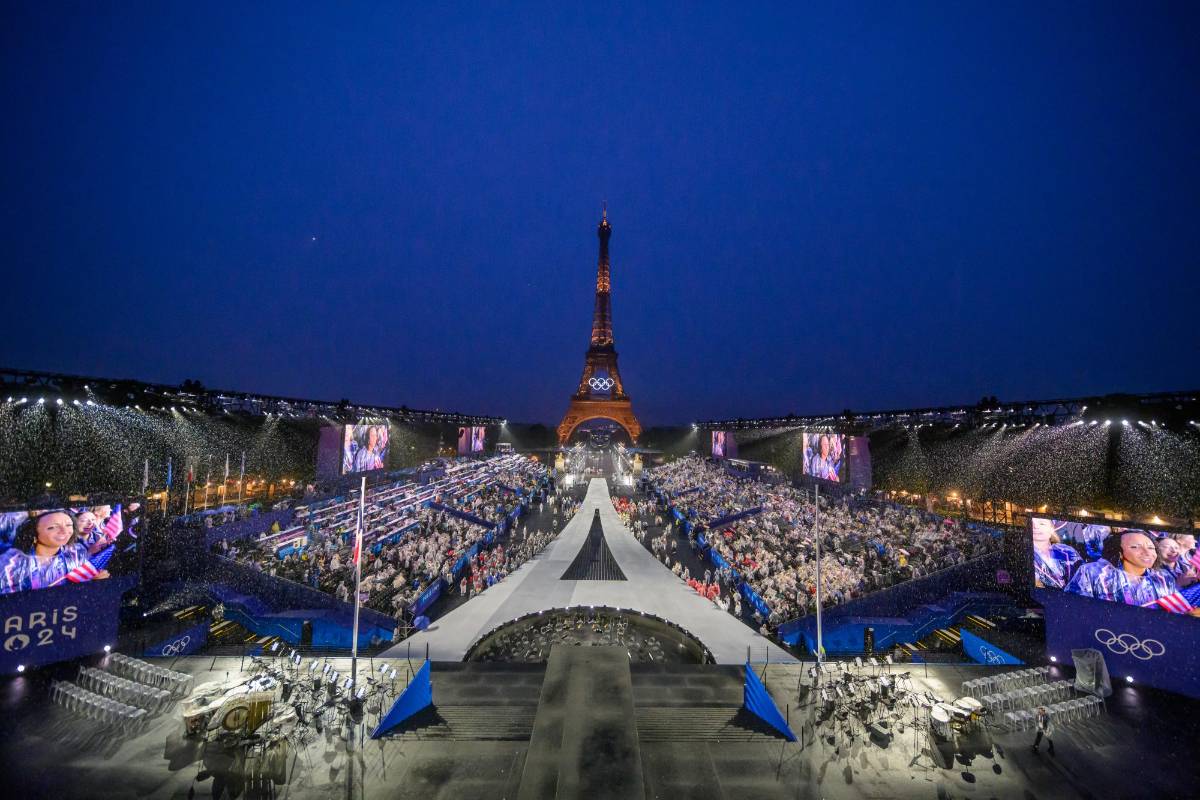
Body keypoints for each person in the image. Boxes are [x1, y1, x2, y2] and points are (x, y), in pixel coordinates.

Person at [1065, 530, 1189, 609]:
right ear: (1119, 552)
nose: (1147, 552)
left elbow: (1174, 611)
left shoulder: (1163, 579)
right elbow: (1074, 608)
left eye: (1151, 548)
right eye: (1135, 547)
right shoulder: (1092, 573)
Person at [0, 509, 111, 594]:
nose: (64, 531)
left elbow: (83, 585)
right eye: (52, 527)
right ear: (34, 534)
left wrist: (95, 580)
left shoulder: (77, 553)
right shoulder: (11, 563)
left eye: (68, 525)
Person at [1031, 517, 1082, 589]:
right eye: (1031, 524)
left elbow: (1083, 578)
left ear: (1051, 529)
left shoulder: (1068, 551)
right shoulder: (1025, 556)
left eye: (1042, 524)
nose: (1035, 527)